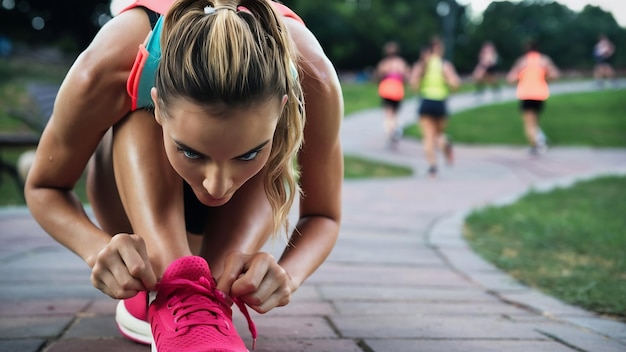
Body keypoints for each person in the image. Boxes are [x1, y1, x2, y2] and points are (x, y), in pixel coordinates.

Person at [24, 0, 344, 351]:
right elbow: (44, 186)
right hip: (134, 220)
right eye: (192, 151)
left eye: (247, 154)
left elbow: (324, 214)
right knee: (136, 112)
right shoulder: (111, 59)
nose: (216, 186)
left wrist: (288, 276)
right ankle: (172, 282)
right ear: (160, 103)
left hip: (232, 231)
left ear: (284, 104)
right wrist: (97, 249)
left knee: (280, 147)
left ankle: (208, 296)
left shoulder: (312, 75)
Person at [409, 37, 460, 177]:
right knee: (439, 135)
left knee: (428, 137)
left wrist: (420, 84)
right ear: (440, 49)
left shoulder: (422, 65)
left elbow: (413, 85)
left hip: (426, 101)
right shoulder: (444, 65)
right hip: (441, 103)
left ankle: (433, 167)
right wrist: (447, 84)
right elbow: (455, 84)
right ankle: (445, 144)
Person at [506, 39, 560, 156]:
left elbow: (510, 78)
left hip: (526, 94)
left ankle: (539, 143)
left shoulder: (523, 61)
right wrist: (545, 78)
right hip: (540, 94)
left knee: (529, 124)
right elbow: (555, 74)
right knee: (535, 121)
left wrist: (520, 79)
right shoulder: (543, 60)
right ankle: (538, 143)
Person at [374, 41, 411, 148]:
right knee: (394, 114)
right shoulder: (401, 63)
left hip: (386, 89)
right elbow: (406, 76)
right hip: (398, 89)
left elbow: (378, 76)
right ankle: (395, 129)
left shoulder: (384, 63)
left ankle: (391, 132)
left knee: (388, 114)